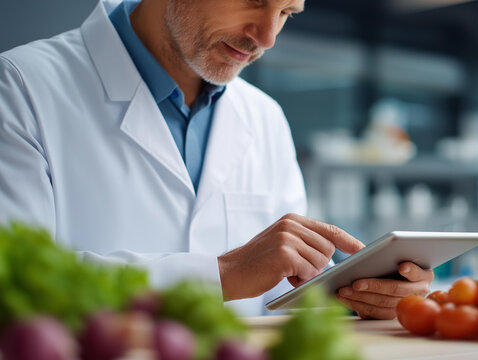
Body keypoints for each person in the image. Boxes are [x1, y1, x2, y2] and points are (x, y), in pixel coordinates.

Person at [0, 0, 433, 318]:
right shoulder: (21, 89)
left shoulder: (265, 117)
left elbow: (282, 298)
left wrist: (360, 296)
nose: (266, 37)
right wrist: (223, 273)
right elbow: (15, 284)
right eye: (254, 2)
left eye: (286, 13)